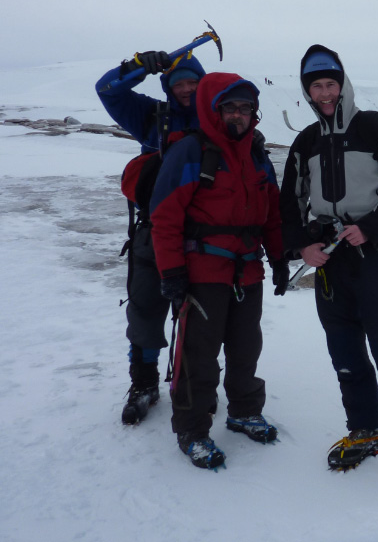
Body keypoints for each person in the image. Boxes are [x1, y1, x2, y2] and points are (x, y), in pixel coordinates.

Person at [279, 44, 378, 488]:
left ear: (343, 84)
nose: (325, 94)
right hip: (329, 260)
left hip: (374, 256)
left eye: (331, 84)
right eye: (316, 87)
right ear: (307, 92)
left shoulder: (377, 127)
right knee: (346, 354)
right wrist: (300, 249)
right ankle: (367, 431)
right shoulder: (305, 141)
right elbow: (288, 204)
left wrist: (371, 227)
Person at [149, 72, 289, 469]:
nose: (239, 115)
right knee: (198, 356)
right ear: (214, 109)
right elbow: (165, 218)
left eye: (246, 108)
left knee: (246, 348)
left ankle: (244, 410)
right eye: (230, 107)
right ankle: (192, 429)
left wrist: (278, 259)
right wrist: (172, 272)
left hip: (248, 271)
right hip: (202, 272)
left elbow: (272, 215)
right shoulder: (191, 152)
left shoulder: (257, 154)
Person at [95, 50, 205, 425]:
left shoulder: (217, 118)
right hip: (154, 232)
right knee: (144, 309)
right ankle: (144, 384)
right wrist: (138, 66)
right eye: (179, 83)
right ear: (168, 86)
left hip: (204, 234)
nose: (187, 89)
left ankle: (193, 385)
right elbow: (107, 90)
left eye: (193, 82)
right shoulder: (152, 116)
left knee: (200, 316)